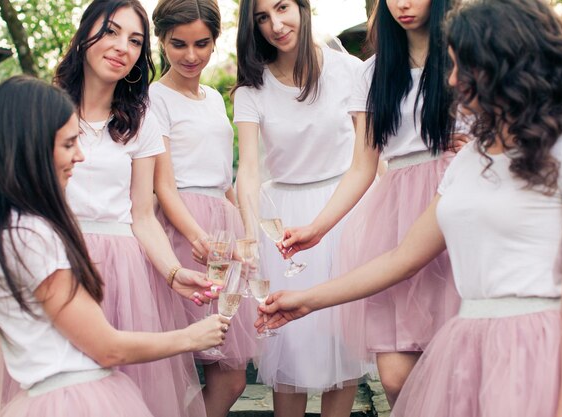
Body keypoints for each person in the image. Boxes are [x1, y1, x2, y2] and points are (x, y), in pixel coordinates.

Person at [258, 1, 562, 416]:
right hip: (473, 339)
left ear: (507, 64)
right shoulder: (465, 165)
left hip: (536, 344)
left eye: (464, 67)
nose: (452, 80)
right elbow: (401, 258)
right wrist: (307, 300)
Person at [0, 75, 230, 417]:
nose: (81, 156)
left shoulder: (7, 230)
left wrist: (172, 273)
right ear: (31, 145)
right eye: (69, 144)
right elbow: (108, 348)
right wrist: (192, 337)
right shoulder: (33, 236)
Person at [280, 0, 461, 405]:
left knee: (454, 367)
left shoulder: (464, 56)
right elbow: (363, 165)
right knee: (396, 377)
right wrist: (316, 227)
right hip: (395, 215)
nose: (402, 4)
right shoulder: (371, 72)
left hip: (455, 204)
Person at [50, 1, 210, 415]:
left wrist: (174, 274)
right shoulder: (45, 109)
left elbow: (142, 216)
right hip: (57, 264)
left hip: (124, 276)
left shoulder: (141, 121)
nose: (123, 46)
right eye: (111, 31)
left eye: (135, 40)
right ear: (85, 33)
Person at [232, 0, 368, 415]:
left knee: (341, 345)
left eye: (282, 8)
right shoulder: (251, 88)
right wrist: (251, 234)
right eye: (262, 18)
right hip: (284, 219)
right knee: (288, 345)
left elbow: (369, 156)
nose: (276, 25)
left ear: (303, 7)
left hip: (344, 210)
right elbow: (249, 170)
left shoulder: (352, 72)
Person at [149, 1, 258, 416]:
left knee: (231, 375)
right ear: (161, 40)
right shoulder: (153, 99)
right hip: (181, 229)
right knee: (175, 363)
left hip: (223, 225)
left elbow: (224, 175)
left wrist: (243, 235)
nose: (191, 55)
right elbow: (163, 186)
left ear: (215, 41)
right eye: (178, 44)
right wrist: (199, 237)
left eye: (202, 43)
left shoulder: (214, 98)